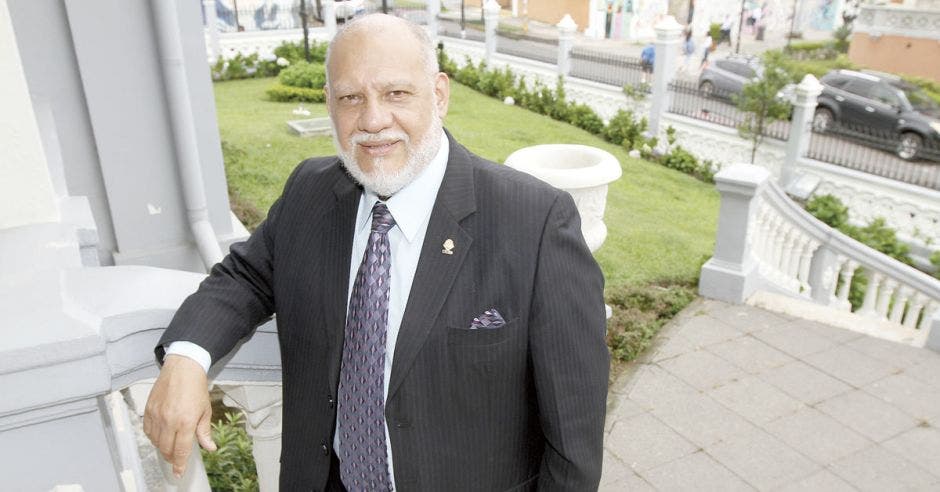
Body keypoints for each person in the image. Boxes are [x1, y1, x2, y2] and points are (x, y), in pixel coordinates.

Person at [143, 13, 609, 492]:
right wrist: (186, 358)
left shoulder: (534, 222)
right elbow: (244, 278)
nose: (372, 120)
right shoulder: (310, 192)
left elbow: (573, 440)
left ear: (440, 94)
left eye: (396, 93)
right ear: (329, 103)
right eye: (350, 98)